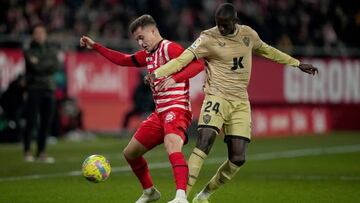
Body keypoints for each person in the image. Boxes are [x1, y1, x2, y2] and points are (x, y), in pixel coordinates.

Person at [146, 3, 319, 203]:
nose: (221, 29)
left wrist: (296, 63)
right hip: (216, 97)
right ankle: (181, 197)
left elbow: (269, 51)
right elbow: (182, 60)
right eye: (218, 24)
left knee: (238, 158)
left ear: (235, 21)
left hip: (240, 103)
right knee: (204, 142)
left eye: (225, 25)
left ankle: (205, 194)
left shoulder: (248, 35)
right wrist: (157, 73)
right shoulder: (207, 38)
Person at [80, 14, 204, 203]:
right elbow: (122, 59)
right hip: (159, 113)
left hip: (177, 108)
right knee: (130, 153)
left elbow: (198, 64)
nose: (140, 42)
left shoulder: (170, 48)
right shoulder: (148, 55)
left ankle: (181, 197)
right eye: (137, 39)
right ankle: (150, 192)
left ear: (153, 31)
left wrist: (174, 78)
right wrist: (95, 46)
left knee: (172, 144)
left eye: (141, 37)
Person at [23, 24, 60, 163]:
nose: (39, 35)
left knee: (46, 122)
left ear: (45, 34)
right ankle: (27, 150)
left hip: (49, 88)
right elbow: (36, 67)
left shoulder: (51, 49)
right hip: (34, 88)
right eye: (36, 32)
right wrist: (45, 64)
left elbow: (55, 66)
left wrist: (40, 64)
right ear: (33, 35)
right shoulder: (28, 50)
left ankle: (41, 152)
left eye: (41, 32)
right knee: (31, 120)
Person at [121, 70, 155, 135]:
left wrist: (148, 108)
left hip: (151, 109)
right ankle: (123, 132)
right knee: (127, 115)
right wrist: (141, 108)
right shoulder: (138, 88)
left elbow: (154, 101)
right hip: (140, 108)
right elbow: (135, 99)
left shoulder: (152, 87)